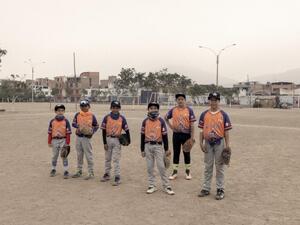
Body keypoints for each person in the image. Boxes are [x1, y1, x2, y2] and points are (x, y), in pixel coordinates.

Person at [198, 92, 232, 200]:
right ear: (209, 101)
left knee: (219, 167)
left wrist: (227, 145)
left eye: (215, 100)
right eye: (211, 100)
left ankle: (220, 189)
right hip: (208, 143)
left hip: (219, 142)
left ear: (219, 101)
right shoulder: (204, 114)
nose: (213, 102)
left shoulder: (223, 115)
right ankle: (206, 188)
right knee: (208, 166)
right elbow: (201, 130)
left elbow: (226, 131)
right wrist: (200, 142)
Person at [141, 102, 175, 195]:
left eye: (155, 108)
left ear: (158, 110)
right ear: (148, 110)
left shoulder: (161, 121)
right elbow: (142, 136)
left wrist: (167, 149)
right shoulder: (145, 121)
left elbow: (165, 136)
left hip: (158, 146)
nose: (153, 110)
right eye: (151, 108)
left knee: (161, 167)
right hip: (148, 146)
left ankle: (166, 186)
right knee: (150, 167)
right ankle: (152, 185)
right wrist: (142, 149)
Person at [165, 93, 196, 180]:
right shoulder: (173, 110)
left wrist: (192, 137)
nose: (180, 101)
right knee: (176, 153)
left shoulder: (189, 110)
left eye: (182, 99)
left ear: (184, 100)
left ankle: (188, 171)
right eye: (178, 99)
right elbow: (166, 118)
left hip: (186, 135)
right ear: (176, 101)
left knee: (186, 153)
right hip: (176, 135)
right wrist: (171, 127)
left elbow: (192, 125)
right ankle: (174, 172)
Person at [100, 100, 130, 186]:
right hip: (108, 139)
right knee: (107, 158)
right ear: (111, 108)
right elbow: (103, 131)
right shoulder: (107, 117)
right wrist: (104, 143)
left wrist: (129, 140)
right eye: (113, 107)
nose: (115, 109)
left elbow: (127, 130)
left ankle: (117, 176)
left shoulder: (122, 118)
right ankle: (107, 174)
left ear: (119, 108)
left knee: (116, 159)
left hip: (117, 140)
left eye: (117, 107)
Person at [72, 100, 99, 180]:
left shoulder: (91, 115)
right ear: (80, 107)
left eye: (86, 106)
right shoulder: (77, 114)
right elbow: (73, 123)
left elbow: (96, 125)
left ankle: (91, 172)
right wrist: (79, 126)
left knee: (88, 155)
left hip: (87, 138)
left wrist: (92, 132)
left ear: (89, 106)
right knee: (79, 155)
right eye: (82, 106)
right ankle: (79, 171)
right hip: (79, 137)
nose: (84, 107)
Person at [47, 104, 71, 179]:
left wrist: (67, 143)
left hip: (63, 140)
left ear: (64, 111)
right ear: (55, 111)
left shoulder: (66, 121)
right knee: (54, 156)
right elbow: (50, 132)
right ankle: (53, 169)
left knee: (64, 155)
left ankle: (66, 171)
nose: (60, 112)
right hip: (54, 140)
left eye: (62, 110)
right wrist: (49, 141)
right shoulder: (52, 121)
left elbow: (68, 133)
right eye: (58, 111)